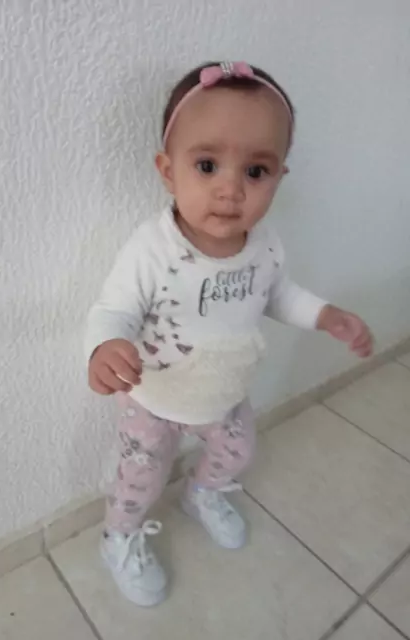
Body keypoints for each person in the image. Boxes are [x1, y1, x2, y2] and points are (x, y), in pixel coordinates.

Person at [84, 61, 373, 607]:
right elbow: (113, 309)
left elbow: (278, 293)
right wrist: (105, 346)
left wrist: (324, 315)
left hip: (223, 391)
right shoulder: (153, 249)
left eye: (256, 171)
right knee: (139, 478)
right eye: (207, 165)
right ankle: (119, 536)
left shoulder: (264, 245)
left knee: (238, 450)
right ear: (168, 171)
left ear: (280, 177)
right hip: (155, 397)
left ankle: (203, 492)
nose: (230, 190)